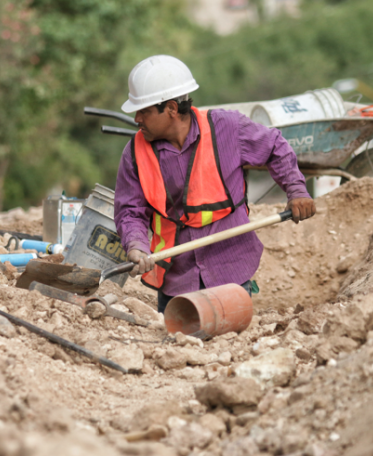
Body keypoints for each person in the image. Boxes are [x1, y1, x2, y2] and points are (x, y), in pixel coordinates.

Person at [113, 55, 316, 313]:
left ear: (172, 109)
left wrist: (296, 190)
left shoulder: (227, 128)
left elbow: (275, 147)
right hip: (176, 280)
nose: (137, 119)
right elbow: (130, 212)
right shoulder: (134, 154)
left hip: (230, 270)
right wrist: (136, 245)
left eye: (144, 111)